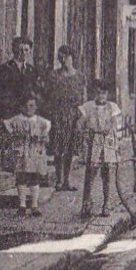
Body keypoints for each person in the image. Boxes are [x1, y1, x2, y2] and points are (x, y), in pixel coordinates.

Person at [43, 46, 86, 191]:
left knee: (70, 149)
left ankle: (67, 180)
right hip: (58, 115)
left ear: (72, 58)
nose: (64, 61)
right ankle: (59, 181)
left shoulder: (80, 77)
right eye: (61, 58)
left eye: (66, 57)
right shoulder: (54, 76)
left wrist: (80, 118)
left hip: (73, 116)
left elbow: (83, 100)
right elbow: (48, 96)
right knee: (58, 149)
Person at [0, 38, 36, 170]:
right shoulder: (4, 69)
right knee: (10, 143)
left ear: (30, 51)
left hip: (26, 113)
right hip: (9, 110)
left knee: (25, 144)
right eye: (20, 49)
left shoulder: (32, 70)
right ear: (13, 50)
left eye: (26, 50)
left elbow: (34, 92)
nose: (23, 53)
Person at [79, 81, 123, 218]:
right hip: (93, 142)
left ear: (107, 94)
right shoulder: (88, 107)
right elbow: (80, 123)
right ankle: (87, 203)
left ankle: (106, 204)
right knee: (90, 173)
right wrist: (85, 131)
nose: (101, 96)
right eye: (98, 93)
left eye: (103, 93)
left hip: (107, 142)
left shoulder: (112, 107)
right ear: (94, 94)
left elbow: (113, 122)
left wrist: (109, 128)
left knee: (107, 174)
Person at [4, 95, 50, 218]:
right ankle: (22, 205)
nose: (30, 108)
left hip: (35, 152)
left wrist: (40, 138)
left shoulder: (42, 122)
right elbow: (8, 134)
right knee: (21, 176)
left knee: (34, 176)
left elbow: (47, 139)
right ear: (22, 107)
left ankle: (34, 205)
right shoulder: (15, 120)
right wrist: (16, 136)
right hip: (21, 151)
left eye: (32, 105)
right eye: (27, 105)